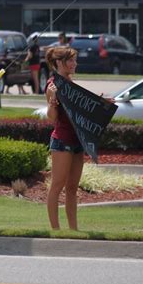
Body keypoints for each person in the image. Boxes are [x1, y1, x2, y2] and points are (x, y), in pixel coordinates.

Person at [44, 46, 83, 231]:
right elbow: (52, 117)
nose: (75, 63)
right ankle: (55, 230)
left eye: (75, 60)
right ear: (59, 63)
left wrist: (101, 104)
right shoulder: (53, 84)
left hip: (78, 141)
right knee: (58, 184)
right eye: (71, 60)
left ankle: (74, 230)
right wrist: (52, 100)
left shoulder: (71, 83)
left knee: (73, 187)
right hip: (62, 141)